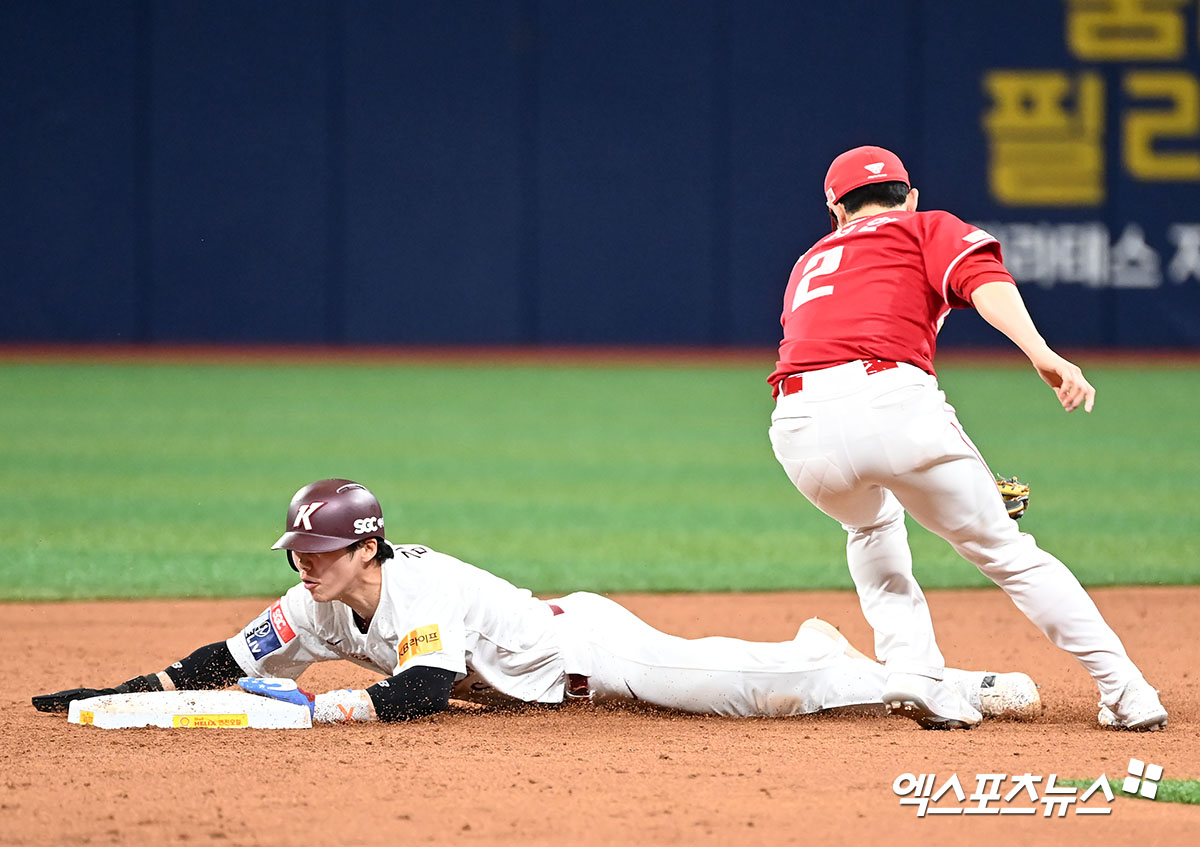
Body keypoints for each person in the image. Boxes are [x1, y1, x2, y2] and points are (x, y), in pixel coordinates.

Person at [33, 478, 1039, 725]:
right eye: (299, 550)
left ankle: (950, 683)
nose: (304, 564)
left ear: (365, 545)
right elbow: (219, 663)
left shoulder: (412, 582)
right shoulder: (313, 605)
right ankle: (839, 659)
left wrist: (318, 707)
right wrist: (108, 696)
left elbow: (424, 688)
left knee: (748, 690)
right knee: (746, 676)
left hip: (591, 648)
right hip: (554, 656)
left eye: (320, 550)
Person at [766, 145, 1167, 731]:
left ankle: (914, 671)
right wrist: (1042, 353)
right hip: (891, 399)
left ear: (835, 210)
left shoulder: (808, 261)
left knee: (870, 525)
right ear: (910, 196)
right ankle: (1127, 692)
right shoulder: (924, 226)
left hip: (799, 427)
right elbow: (984, 279)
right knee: (1005, 552)